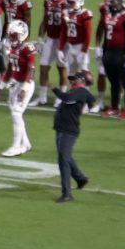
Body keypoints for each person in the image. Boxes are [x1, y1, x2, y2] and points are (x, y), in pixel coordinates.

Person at [51, 69, 94, 201]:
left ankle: (67, 194)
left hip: (69, 130)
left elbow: (68, 100)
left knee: (63, 159)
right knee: (65, 157)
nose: (71, 81)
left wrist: (55, 89)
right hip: (62, 128)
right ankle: (80, 178)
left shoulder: (81, 92)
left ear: (82, 81)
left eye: (74, 79)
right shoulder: (76, 91)